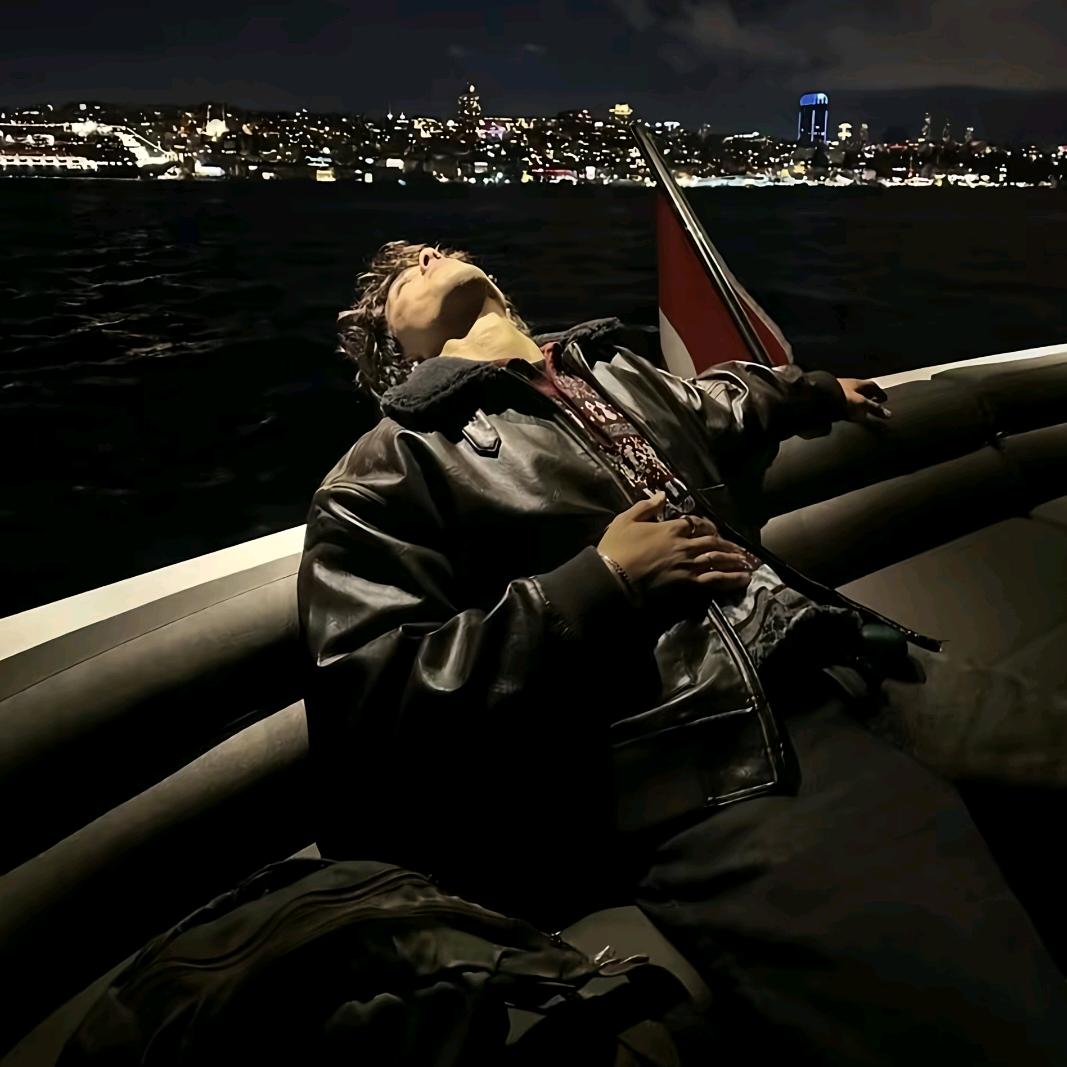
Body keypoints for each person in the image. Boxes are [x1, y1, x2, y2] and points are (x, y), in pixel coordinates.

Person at [298, 241, 1067, 1065]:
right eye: (397, 273)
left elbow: (726, 401)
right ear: (390, 345)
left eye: (435, 248)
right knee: (985, 1021)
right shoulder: (387, 468)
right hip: (710, 763)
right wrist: (598, 585)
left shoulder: (614, 373)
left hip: (853, 658)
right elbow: (369, 692)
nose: (427, 253)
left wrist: (816, 391)